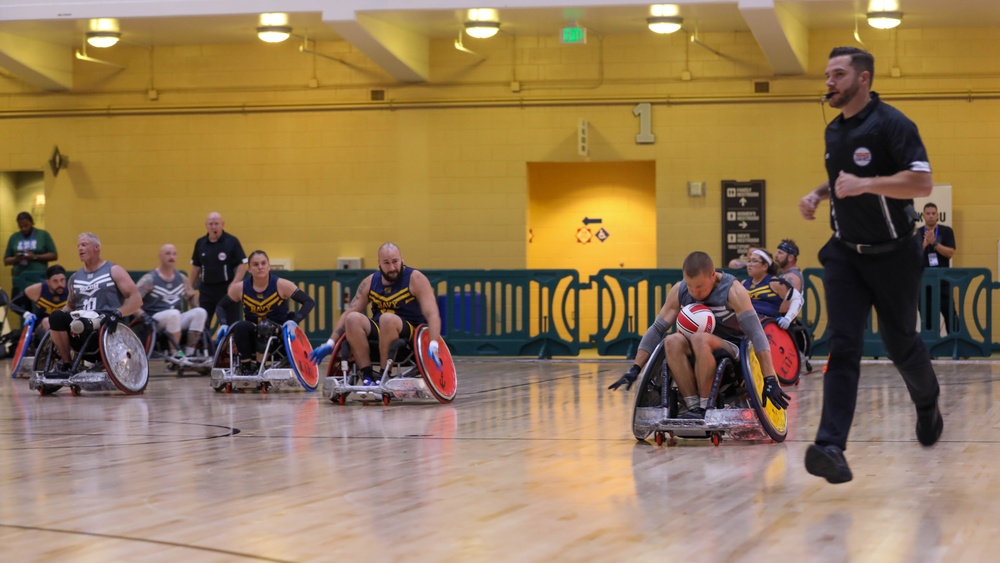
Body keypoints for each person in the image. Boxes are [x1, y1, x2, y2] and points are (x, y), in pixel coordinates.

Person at [797, 46, 942, 484]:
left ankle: (927, 402)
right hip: (845, 254)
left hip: (895, 255)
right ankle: (830, 447)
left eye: (837, 74)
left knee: (901, 346)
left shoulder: (893, 125)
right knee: (843, 347)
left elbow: (922, 181)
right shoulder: (835, 132)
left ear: (863, 79)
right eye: (827, 74)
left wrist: (867, 183)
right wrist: (820, 194)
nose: (829, 82)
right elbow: (843, 178)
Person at [608, 251, 790, 421]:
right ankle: (693, 406)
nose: (695, 292)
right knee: (671, 341)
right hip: (696, 347)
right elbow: (657, 329)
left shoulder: (733, 290)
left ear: (713, 275)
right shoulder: (680, 290)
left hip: (732, 349)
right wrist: (635, 368)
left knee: (699, 338)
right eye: (690, 286)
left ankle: (705, 407)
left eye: (700, 287)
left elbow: (757, 333)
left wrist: (769, 379)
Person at [309, 242, 443, 383]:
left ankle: (383, 376)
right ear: (379, 263)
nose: (392, 268)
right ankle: (367, 376)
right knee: (352, 318)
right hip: (381, 331)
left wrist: (434, 344)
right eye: (386, 263)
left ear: (402, 259)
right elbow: (349, 311)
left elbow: (432, 314)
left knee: (387, 319)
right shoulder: (370, 282)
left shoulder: (416, 279)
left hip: (409, 336)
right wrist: (330, 343)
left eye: (395, 261)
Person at [46, 233, 142, 374]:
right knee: (56, 317)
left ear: (96, 248)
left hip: (104, 323)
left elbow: (136, 299)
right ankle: (66, 364)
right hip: (78, 322)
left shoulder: (114, 271)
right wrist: (57, 320)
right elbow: (70, 306)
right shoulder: (75, 278)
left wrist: (118, 313)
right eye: (78, 246)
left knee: (83, 323)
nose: (80, 249)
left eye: (84, 245)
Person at [214, 250, 314, 375]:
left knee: (265, 326)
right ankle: (246, 368)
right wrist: (223, 323)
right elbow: (220, 306)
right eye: (255, 264)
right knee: (241, 326)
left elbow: (309, 302)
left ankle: (259, 368)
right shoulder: (240, 288)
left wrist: (294, 322)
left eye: (263, 263)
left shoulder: (282, 285)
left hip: (278, 332)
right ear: (249, 269)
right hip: (253, 329)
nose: (260, 267)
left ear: (269, 266)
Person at [135, 244, 208, 364]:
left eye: (174, 254)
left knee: (200, 312)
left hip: (175, 318)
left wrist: (197, 314)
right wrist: (143, 316)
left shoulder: (181, 278)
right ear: (160, 256)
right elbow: (132, 301)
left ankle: (190, 354)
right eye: (167, 253)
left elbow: (191, 296)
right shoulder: (150, 279)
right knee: (174, 314)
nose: (171, 257)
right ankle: (176, 355)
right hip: (155, 320)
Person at [190, 212, 247, 328]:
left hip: (226, 289)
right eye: (210, 224)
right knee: (202, 323)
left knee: (231, 323)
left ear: (222, 224)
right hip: (206, 290)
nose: (213, 227)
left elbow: (242, 264)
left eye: (216, 224)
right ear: (206, 225)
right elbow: (196, 268)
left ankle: (231, 345)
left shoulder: (232, 241)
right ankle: (204, 346)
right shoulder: (200, 243)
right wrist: (190, 288)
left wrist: (234, 283)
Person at [915, 203, 956, 333]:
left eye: (933, 213)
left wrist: (935, 243)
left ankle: (957, 344)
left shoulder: (946, 231)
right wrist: (924, 244)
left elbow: (950, 253)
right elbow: (912, 258)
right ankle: (930, 350)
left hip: (943, 281)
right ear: (923, 216)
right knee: (926, 316)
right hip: (923, 283)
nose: (931, 216)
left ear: (938, 215)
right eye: (928, 213)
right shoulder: (917, 233)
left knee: (950, 314)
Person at [742, 248, 803, 329]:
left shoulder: (775, 283)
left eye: (754, 261)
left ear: (765, 266)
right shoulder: (743, 284)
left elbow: (798, 299)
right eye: (749, 261)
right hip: (744, 326)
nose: (749, 264)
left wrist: (788, 318)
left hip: (766, 327)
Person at [4, 212, 58, 297]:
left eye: (26, 226)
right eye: (21, 227)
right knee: (19, 307)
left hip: (38, 279)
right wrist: (16, 259)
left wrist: (34, 257)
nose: (24, 229)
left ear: (32, 223)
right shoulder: (14, 237)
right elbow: (6, 260)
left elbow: (54, 255)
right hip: (19, 279)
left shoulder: (43, 235)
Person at [8, 264, 68, 333]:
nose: (60, 284)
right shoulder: (37, 289)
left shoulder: (72, 289)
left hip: (65, 326)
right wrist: (27, 314)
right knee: (47, 321)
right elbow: (13, 304)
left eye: (62, 280)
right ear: (48, 282)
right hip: (42, 329)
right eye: (55, 281)